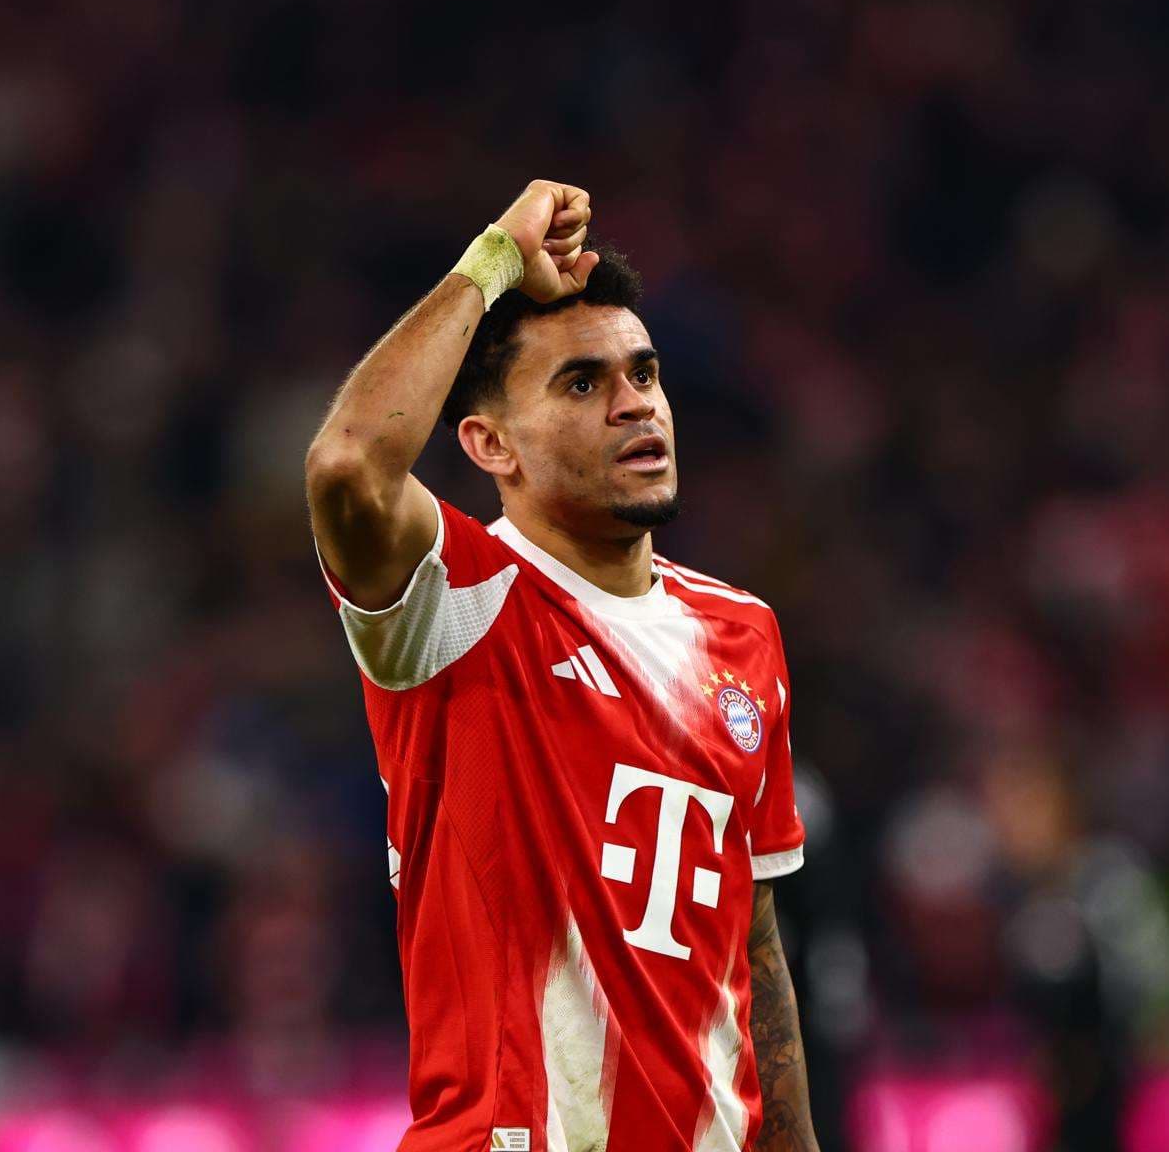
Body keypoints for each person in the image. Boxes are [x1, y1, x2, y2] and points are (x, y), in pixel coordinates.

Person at [305, 180, 818, 1150]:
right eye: (582, 384)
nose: (634, 404)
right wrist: (494, 258)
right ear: (490, 443)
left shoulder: (744, 632)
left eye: (644, 373)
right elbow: (348, 466)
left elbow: (753, 946)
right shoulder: (458, 601)